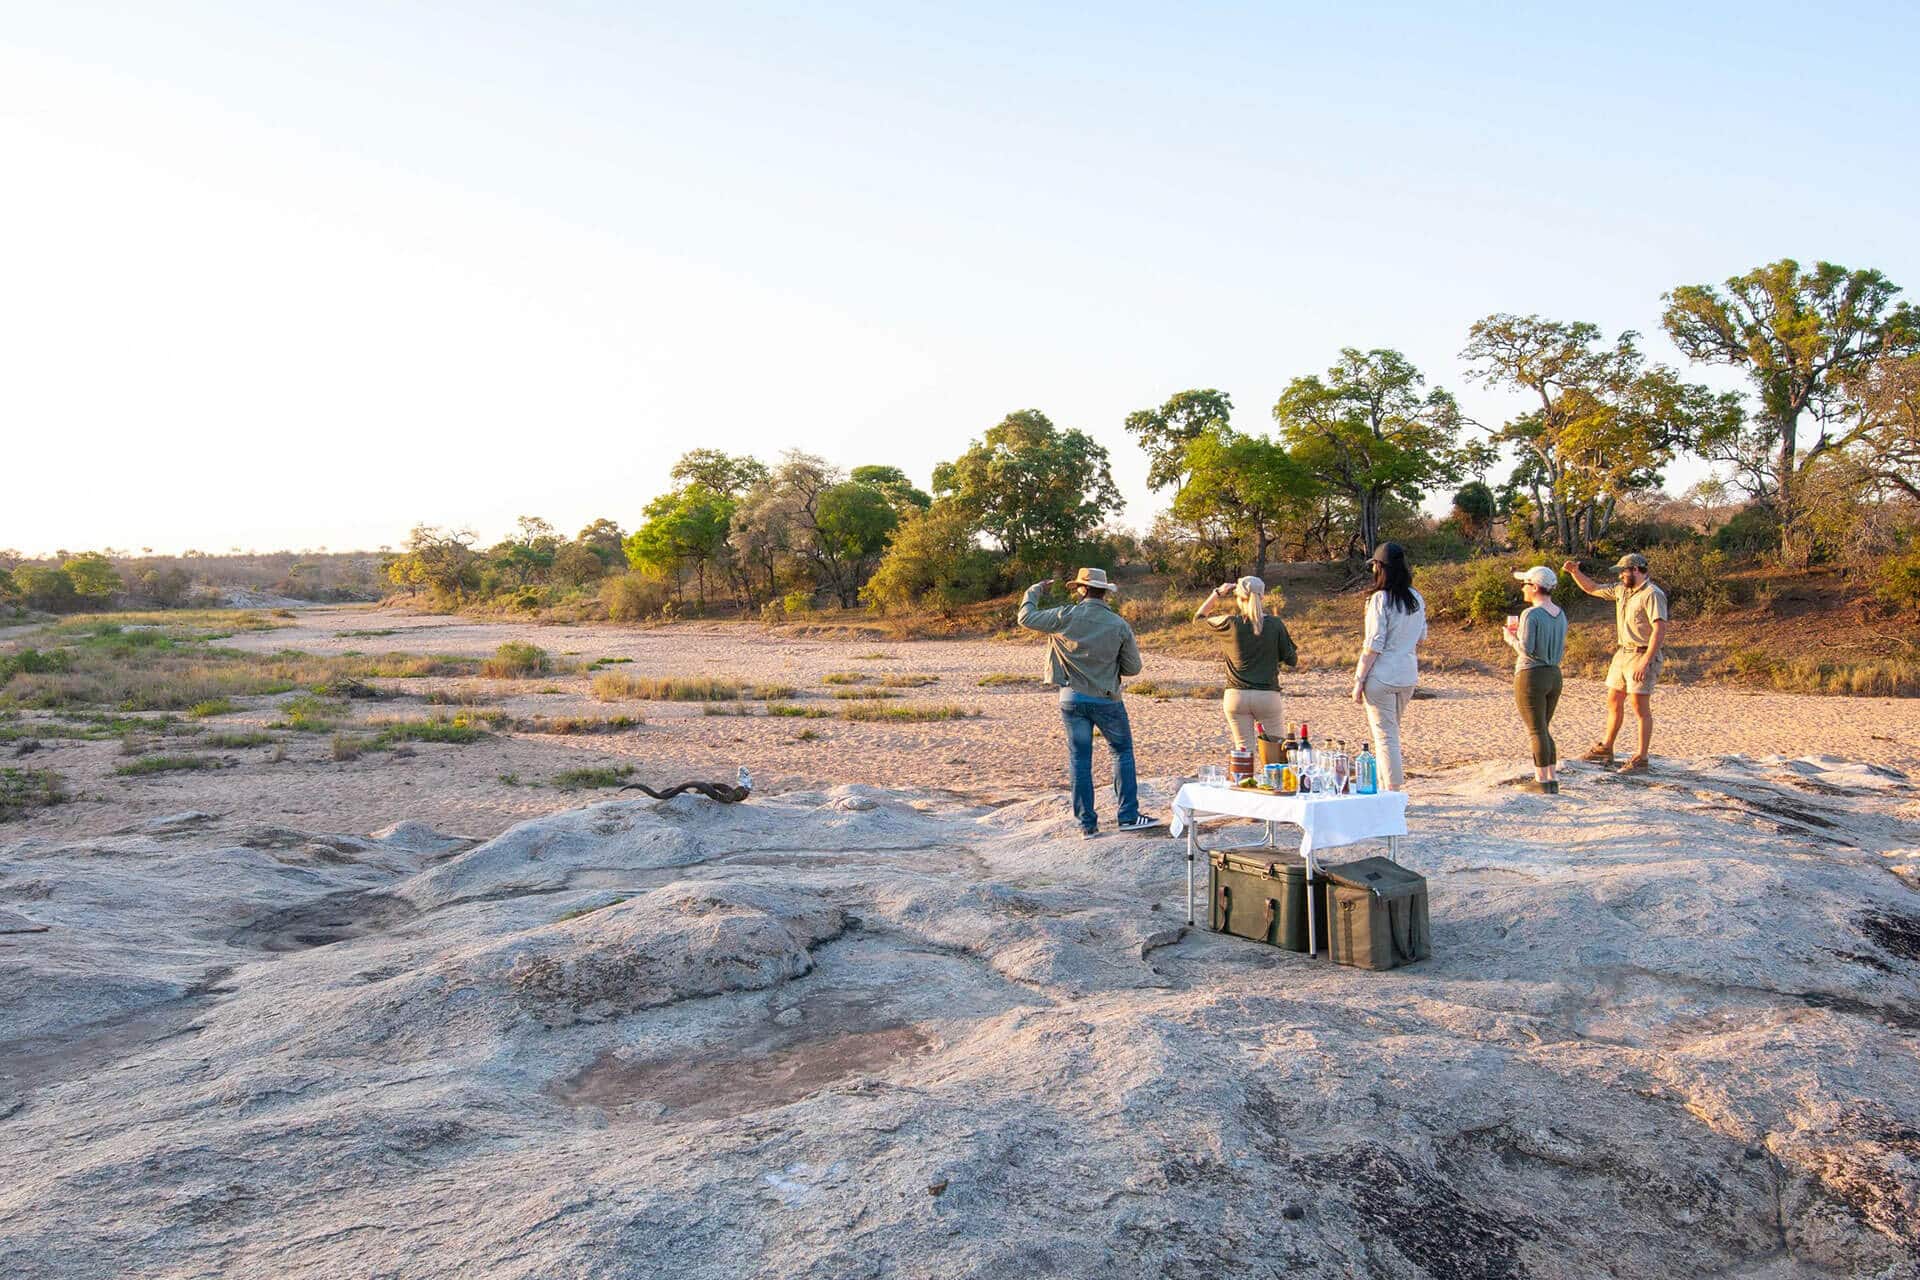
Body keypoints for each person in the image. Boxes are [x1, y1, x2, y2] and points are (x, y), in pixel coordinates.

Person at [1018, 567, 1158, 837]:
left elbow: (1026, 617)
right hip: (1107, 700)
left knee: (1080, 760)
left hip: (1071, 698)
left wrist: (1034, 590)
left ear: (1081, 589)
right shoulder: (1118, 624)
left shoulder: (1063, 616)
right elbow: (1133, 668)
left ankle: (1087, 824)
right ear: (1105, 592)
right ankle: (1128, 816)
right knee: (1121, 753)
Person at [1560, 552, 1668, 773]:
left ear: (1636, 570)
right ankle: (1606, 747)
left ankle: (1641, 758)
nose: (1620, 576)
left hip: (1641, 653)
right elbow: (1592, 588)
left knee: (1639, 706)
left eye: (1623, 572)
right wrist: (1574, 572)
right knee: (1614, 700)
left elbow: (1659, 628)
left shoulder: (1652, 594)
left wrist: (1646, 661)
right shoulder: (1622, 591)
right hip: (1623, 654)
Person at [1350, 542, 1426, 791]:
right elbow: (1421, 636)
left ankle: (1391, 791)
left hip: (1382, 674)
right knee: (1390, 734)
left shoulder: (1380, 599)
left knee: (1385, 737)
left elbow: (1373, 644)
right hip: (1407, 673)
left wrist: (1359, 679)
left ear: (1380, 567)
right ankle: (1386, 787)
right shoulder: (1416, 598)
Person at [1192, 575, 1297, 753]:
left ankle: (1244, 779)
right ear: (1262, 597)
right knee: (1276, 755)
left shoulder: (1230, 623)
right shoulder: (1275, 625)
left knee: (1244, 754)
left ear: (1239, 598)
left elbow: (1198, 619)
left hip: (1236, 696)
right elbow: (1292, 660)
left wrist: (1217, 592)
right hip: (1267, 696)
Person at [1502, 565, 1568, 794]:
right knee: (1543, 728)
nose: (1522, 588)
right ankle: (1551, 777)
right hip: (1554, 674)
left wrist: (1510, 638)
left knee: (1536, 730)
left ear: (1534, 587)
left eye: (1525, 584)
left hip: (1531, 675)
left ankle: (1542, 780)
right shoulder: (1560, 613)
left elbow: (1527, 649)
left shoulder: (1531, 614)